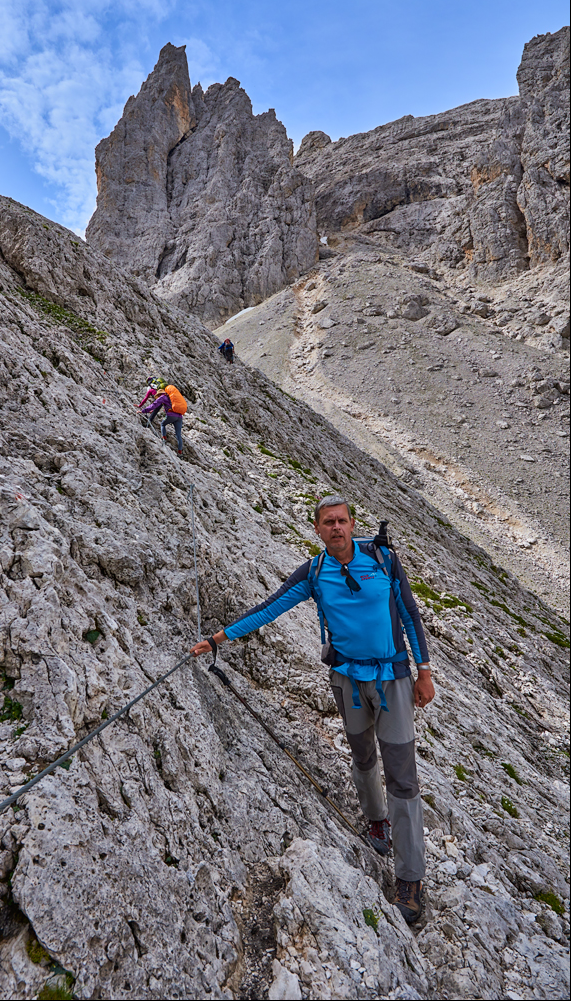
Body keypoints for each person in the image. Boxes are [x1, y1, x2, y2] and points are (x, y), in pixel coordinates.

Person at [190, 495, 435, 924]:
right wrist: (219, 639)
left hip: (392, 679)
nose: (337, 528)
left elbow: (411, 615)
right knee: (362, 757)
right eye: (328, 523)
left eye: (342, 520)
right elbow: (271, 607)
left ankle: (410, 881)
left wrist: (424, 671)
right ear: (318, 530)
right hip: (346, 680)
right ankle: (377, 823)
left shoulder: (383, 559)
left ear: (353, 523)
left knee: (401, 775)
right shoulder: (316, 572)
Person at [142, 386, 185, 455]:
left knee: (163, 424)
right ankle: (180, 452)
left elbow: (154, 405)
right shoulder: (171, 398)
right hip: (179, 417)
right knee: (178, 435)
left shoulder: (162, 397)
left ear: (159, 394)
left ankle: (164, 438)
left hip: (171, 415)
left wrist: (143, 411)